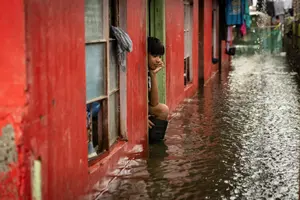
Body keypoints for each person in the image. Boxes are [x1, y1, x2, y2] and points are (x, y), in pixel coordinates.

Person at [147, 37, 169, 142]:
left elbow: (154, 103)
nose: (158, 60)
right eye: (154, 56)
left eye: (159, 56)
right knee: (163, 109)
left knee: (163, 109)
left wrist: (153, 75)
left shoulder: (148, 71)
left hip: (144, 106)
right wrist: (140, 116)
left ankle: (154, 142)